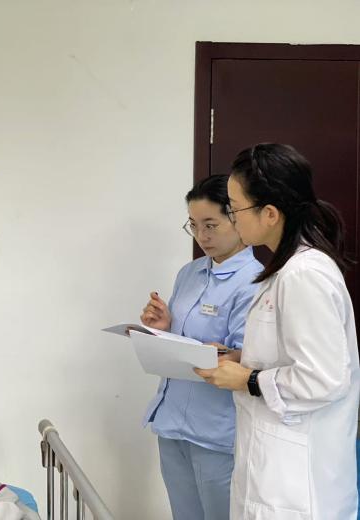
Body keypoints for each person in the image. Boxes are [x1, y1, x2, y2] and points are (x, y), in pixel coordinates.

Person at [195, 143, 360, 519]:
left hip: (299, 484)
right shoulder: (282, 271)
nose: (232, 218)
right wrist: (243, 358)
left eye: (235, 208)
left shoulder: (304, 275)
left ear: (269, 213)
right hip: (274, 467)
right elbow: (292, 353)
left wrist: (248, 379)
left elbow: (325, 378)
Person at [139, 175, 262, 520]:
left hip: (216, 431)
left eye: (211, 225)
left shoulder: (255, 282)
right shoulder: (189, 273)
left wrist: (225, 354)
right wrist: (164, 327)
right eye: (193, 225)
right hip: (172, 420)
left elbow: (249, 358)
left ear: (237, 219)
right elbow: (184, 336)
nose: (201, 236)